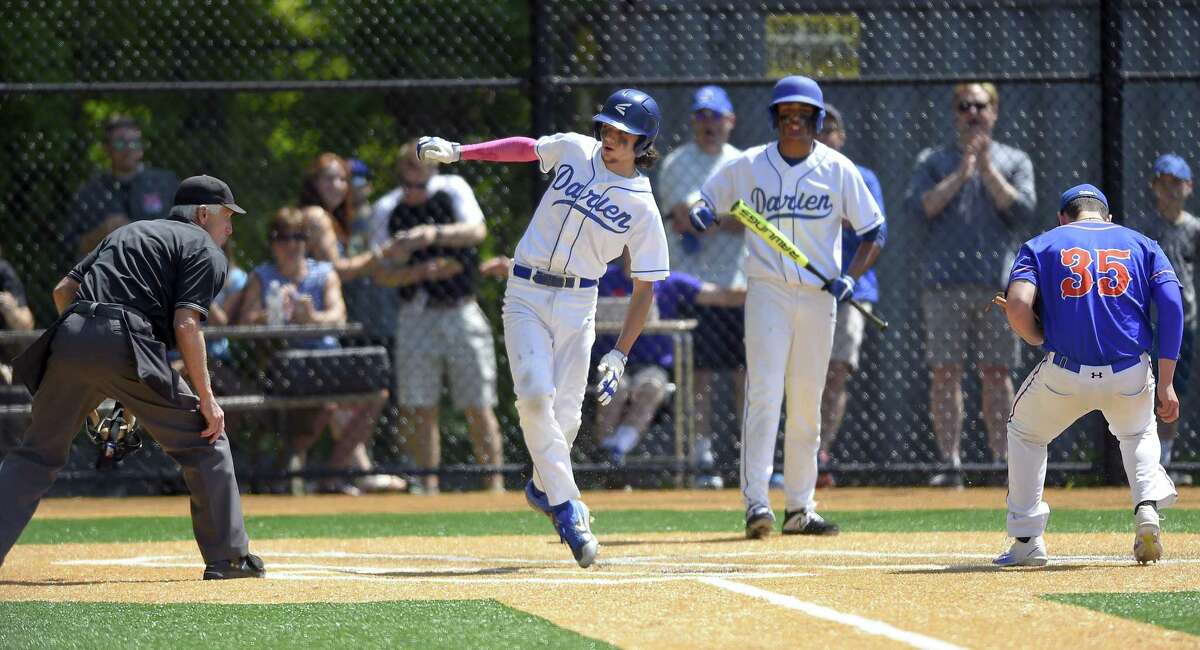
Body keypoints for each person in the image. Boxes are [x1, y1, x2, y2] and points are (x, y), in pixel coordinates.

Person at [416, 87, 671, 568]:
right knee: (534, 397)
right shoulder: (577, 149)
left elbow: (646, 287)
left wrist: (620, 353)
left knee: (568, 420)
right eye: (609, 128)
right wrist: (459, 151)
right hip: (527, 292)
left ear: (644, 143)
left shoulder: (643, 207)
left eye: (625, 133)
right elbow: (525, 147)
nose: (611, 138)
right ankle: (570, 509)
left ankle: (541, 484)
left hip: (579, 302)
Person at [0, 175, 263, 579]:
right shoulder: (205, 249)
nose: (230, 228)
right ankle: (229, 559)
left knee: (35, 455)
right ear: (204, 214)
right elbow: (187, 324)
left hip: (70, 334)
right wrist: (207, 397)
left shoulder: (131, 230)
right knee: (206, 439)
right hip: (125, 339)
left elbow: (62, 290)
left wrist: (86, 361)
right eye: (227, 217)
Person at [690, 76, 886, 539]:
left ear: (818, 120)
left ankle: (800, 507)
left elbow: (875, 230)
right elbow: (707, 199)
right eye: (786, 115)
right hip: (768, 291)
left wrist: (851, 277)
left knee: (805, 402)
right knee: (763, 396)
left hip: (820, 297)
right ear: (775, 119)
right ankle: (757, 504)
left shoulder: (837, 168)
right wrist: (703, 212)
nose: (794, 123)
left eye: (803, 115)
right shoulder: (750, 164)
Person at [993, 184, 1180, 566]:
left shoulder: (1042, 244)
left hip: (1065, 372)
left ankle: (1027, 539)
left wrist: (1037, 335)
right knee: (1137, 432)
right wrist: (1167, 380)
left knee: (1026, 431)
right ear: (1107, 216)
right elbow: (1173, 306)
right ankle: (1146, 507)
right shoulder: (1143, 244)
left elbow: (1017, 305)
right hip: (1129, 369)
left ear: (1064, 217)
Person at [906, 82, 1036, 487]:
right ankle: (951, 464)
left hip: (996, 285)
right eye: (964, 107)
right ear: (955, 113)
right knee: (946, 373)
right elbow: (919, 207)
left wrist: (986, 169)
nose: (973, 113)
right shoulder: (933, 160)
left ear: (994, 112)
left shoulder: (1014, 160)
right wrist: (962, 173)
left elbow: (1023, 210)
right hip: (944, 284)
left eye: (980, 106)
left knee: (997, 372)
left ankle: (1002, 462)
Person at [370, 141, 505, 494]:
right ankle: (429, 490)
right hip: (416, 314)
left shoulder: (453, 189)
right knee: (420, 407)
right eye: (412, 167)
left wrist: (432, 234)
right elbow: (381, 270)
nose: (419, 174)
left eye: (425, 166)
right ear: (402, 170)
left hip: (461, 310)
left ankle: (495, 485)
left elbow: (477, 231)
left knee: (478, 404)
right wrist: (420, 268)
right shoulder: (388, 207)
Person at [239, 207, 384, 496]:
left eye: (298, 237)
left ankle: (332, 473)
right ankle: (294, 475)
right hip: (285, 363)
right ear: (272, 243)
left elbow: (338, 315)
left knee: (378, 394)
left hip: (326, 360)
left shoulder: (324, 272)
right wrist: (274, 312)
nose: (292, 245)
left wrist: (312, 318)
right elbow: (246, 319)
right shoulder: (262, 276)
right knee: (325, 405)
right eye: (283, 238)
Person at [655, 85, 744, 488]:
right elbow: (682, 217)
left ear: (730, 121)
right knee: (700, 372)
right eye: (701, 117)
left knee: (746, 370)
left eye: (715, 117)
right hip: (693, 283)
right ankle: (702, 454)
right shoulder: (677, 162)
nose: (708, 125)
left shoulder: (742, 163)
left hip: (737, 282)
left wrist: (708, 217)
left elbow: (751, 220)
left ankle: (748, 452)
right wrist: (720, 217)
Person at [813, 103, 886, 488]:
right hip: (807, 288)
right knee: (805, 374)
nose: (824, 137)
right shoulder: (800, 177)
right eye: (818, 130)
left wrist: (851, 277)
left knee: (836, 371)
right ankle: (800, 452)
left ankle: (822, 451)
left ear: (841, 137)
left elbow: (874, 231)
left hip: (852, 291)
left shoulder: (862, 177)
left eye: (831, 130)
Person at [1137, 154, 1197, 485]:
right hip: (1148, 322)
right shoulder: (1146, 230)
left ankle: (1166, 460)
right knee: (1143, 390)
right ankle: (1145, 462)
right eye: (1164, 183)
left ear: (1189, 187)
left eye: (1177, 183)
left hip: (1184, 321)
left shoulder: (1193, 229)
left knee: (1174, 391)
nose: (1170, 190)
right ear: (1153, 186)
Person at [67, 115, 179, 257]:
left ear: (142, 148)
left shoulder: (166, 184)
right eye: (120, 144)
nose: (127, 149)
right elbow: (73, 249)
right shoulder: (91, 193)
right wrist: (102, 232)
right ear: (107, 149)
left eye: (134, 143)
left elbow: (185, 231)